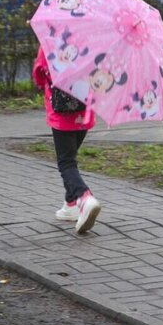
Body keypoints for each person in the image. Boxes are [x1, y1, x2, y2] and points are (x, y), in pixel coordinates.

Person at [31, 45, 102, 234]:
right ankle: (70, 204)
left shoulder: (50, 42)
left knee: (66, 163)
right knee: (71, 157)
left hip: (61, 115)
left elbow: (38, 73)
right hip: (84, 113)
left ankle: (84, 197)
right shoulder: (90, 42)